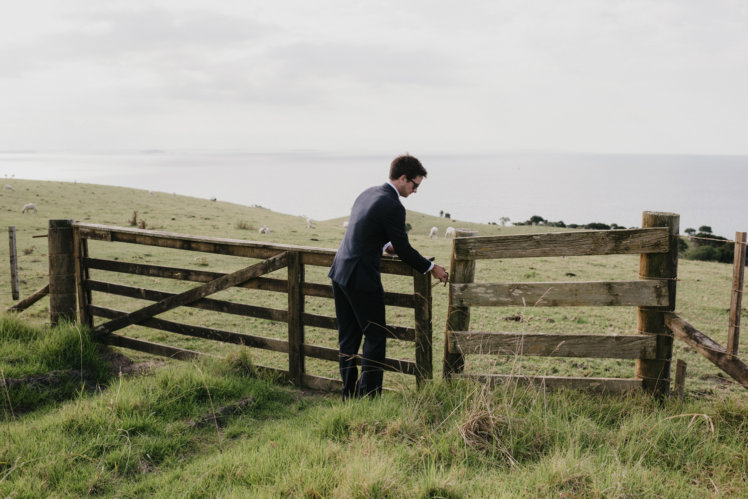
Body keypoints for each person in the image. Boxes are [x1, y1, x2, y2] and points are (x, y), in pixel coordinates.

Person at [328, 154, 449, 398]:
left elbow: (364, 229)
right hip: (361, 277)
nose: (415, 191)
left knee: (348, 339)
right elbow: (404, 249)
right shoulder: (393, 205)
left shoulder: (368, 193)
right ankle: (369, 397)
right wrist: (431, 268)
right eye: (414, 185)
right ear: (403, 178)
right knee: (375, 336)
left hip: (340, 272)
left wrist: (384, 246)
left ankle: (349, 395)